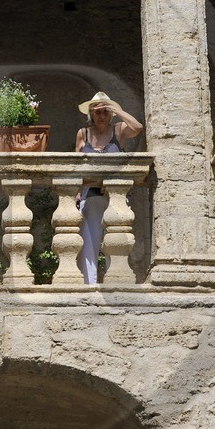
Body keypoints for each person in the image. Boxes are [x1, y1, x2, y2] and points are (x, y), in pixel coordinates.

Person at [74, 92, 144, 285]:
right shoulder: (83, 133)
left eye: (105, 111)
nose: (102, 116)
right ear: (91, 114)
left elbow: (138, 127)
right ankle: (90, 284)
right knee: (90, 243)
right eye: (97, 112)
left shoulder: (119, 130)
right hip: (90, 195)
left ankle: (117, 283)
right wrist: (76, 193)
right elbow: (76, 164)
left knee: (117, 240)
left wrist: (118, 110)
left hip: (116, 196)